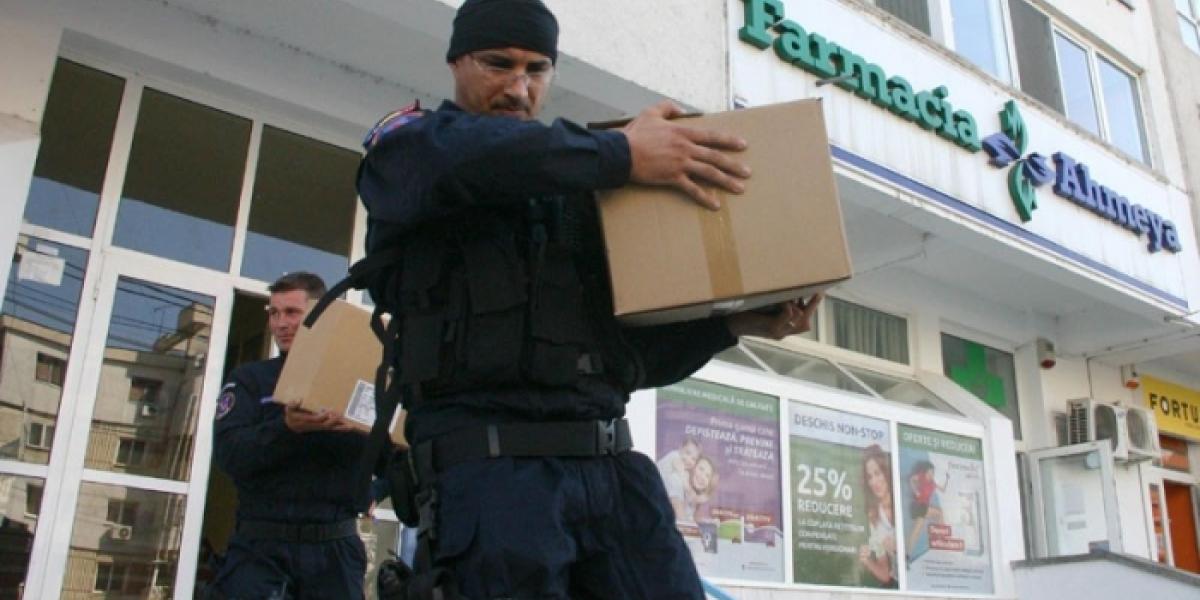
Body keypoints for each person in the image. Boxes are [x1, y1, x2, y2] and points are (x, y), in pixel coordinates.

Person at [356, 0, 822, 597]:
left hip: (613, 474)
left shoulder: (583, 194)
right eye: (498, 64)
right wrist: (623, 154)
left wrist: (733, 326)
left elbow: (625, 361)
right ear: (456, 62)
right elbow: (464, 159)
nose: (519, 87)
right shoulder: (411, 150)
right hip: (493, 479)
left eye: (537, 69)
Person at [209, 272, 370, 600]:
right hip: (261, 549)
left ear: (321, 315)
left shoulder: (355, 382)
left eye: (292, 313)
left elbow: (393, 455)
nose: (281, 323)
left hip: (334, 552)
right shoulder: (251, 380)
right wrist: (286, 429)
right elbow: (229, 454)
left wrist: (371, 488)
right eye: (274, 313)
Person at [858, 445, 896, 588]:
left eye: (878, 473)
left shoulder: (900, 503)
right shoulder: (874, 517)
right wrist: (867, 561)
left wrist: (898, 546)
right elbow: (885, 575)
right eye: (869, 477)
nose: (874, 482)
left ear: (887, 472)